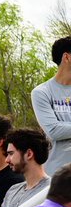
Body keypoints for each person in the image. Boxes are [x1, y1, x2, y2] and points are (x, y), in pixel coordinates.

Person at [31, 36, 71, 174]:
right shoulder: (41, 92)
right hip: (56, 175)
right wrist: (60, 128)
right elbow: (53, 131)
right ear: (67, 57)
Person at [0, 128, 52, 207]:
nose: (6, 160)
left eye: (11, 153)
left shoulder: (51, 190)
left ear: (29, 154)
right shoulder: (13, 190)